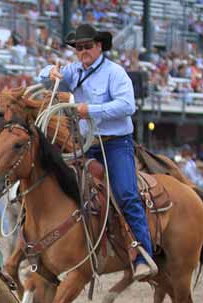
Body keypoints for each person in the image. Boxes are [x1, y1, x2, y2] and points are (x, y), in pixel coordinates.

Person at [38, 23, 157, 281]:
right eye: (78, 48)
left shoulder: (115, 73)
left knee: (126, 194)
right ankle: (79, 248)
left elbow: (127, 106)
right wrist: (51, 71)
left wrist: (90, 110)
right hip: (86, 143)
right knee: (65, 188)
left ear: (99, 46)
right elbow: (42, 78)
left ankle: (143, 254)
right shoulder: (72, 71)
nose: (83, 51)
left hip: (115, 143)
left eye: (87, 46)